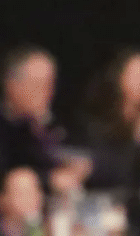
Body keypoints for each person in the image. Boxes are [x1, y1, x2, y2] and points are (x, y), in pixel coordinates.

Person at [79, 46, 140, 193]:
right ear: (119, 76)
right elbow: (102, 169)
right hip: (111, 195)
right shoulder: (100, 118)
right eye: (137, 75)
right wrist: (138, 138)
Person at [1, 46, 88, 198]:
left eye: (50, 84)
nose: (47, 92)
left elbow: (87, 152)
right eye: (38, 84)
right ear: (12, 85)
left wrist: (81, 164)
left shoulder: (56, 122)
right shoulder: (6, 125)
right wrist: (48, 179)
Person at [0, 164, 45, 236]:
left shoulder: (50, 231)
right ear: (3, 199)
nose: (31, 198)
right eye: (22, 193)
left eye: (35, 190)